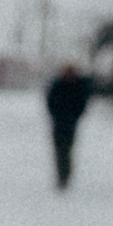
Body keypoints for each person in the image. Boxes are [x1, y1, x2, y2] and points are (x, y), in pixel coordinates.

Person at [46, 59, 96, 187]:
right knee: (59, 151)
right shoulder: (58, 85)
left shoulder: (78, 85)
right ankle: (61, 176)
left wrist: (74, 115)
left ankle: (66, 175)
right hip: (59, 122)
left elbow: (82, 102)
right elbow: (50, 102)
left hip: (70, 123)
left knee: (67, 150)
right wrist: (56, 115)